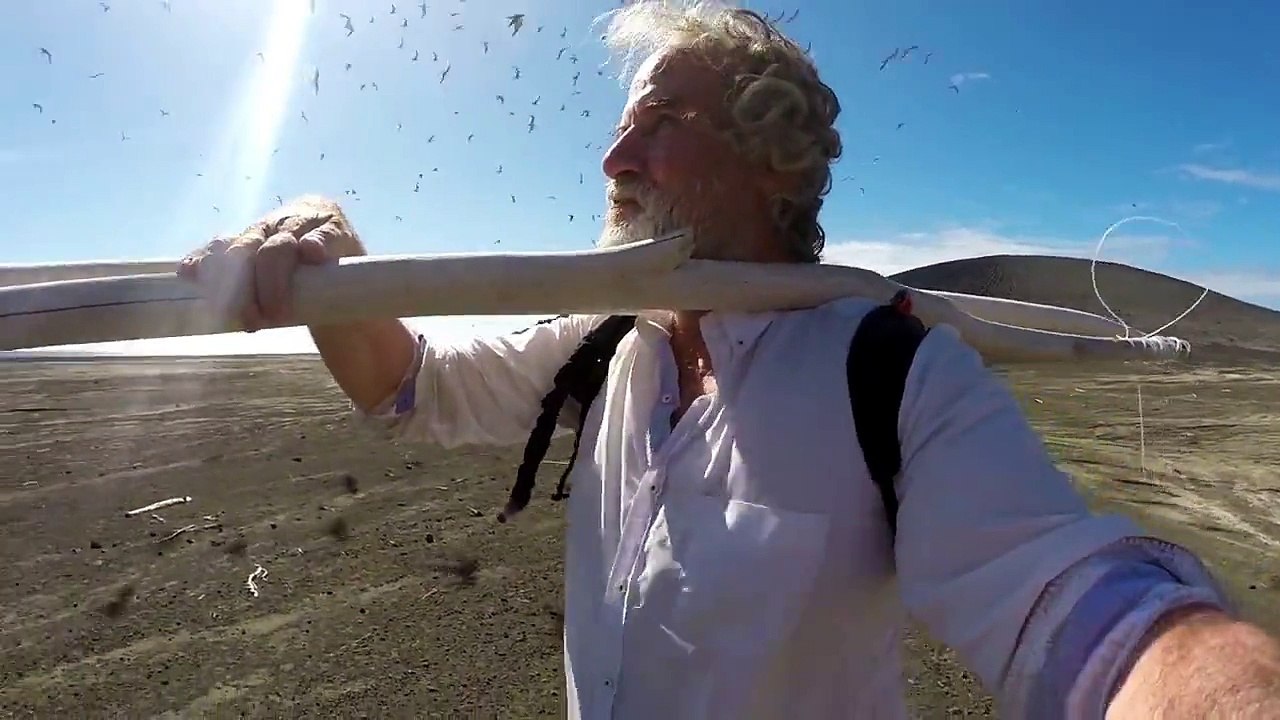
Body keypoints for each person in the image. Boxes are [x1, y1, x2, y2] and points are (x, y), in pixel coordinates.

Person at [178, 3, 1280, 718]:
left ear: (771, 164)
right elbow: (406, 387)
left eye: (658, 122)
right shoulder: (604, 340)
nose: (612, 158)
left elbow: (1077, 607)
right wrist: (325, 257)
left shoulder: (891, 375)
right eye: (620, 127)